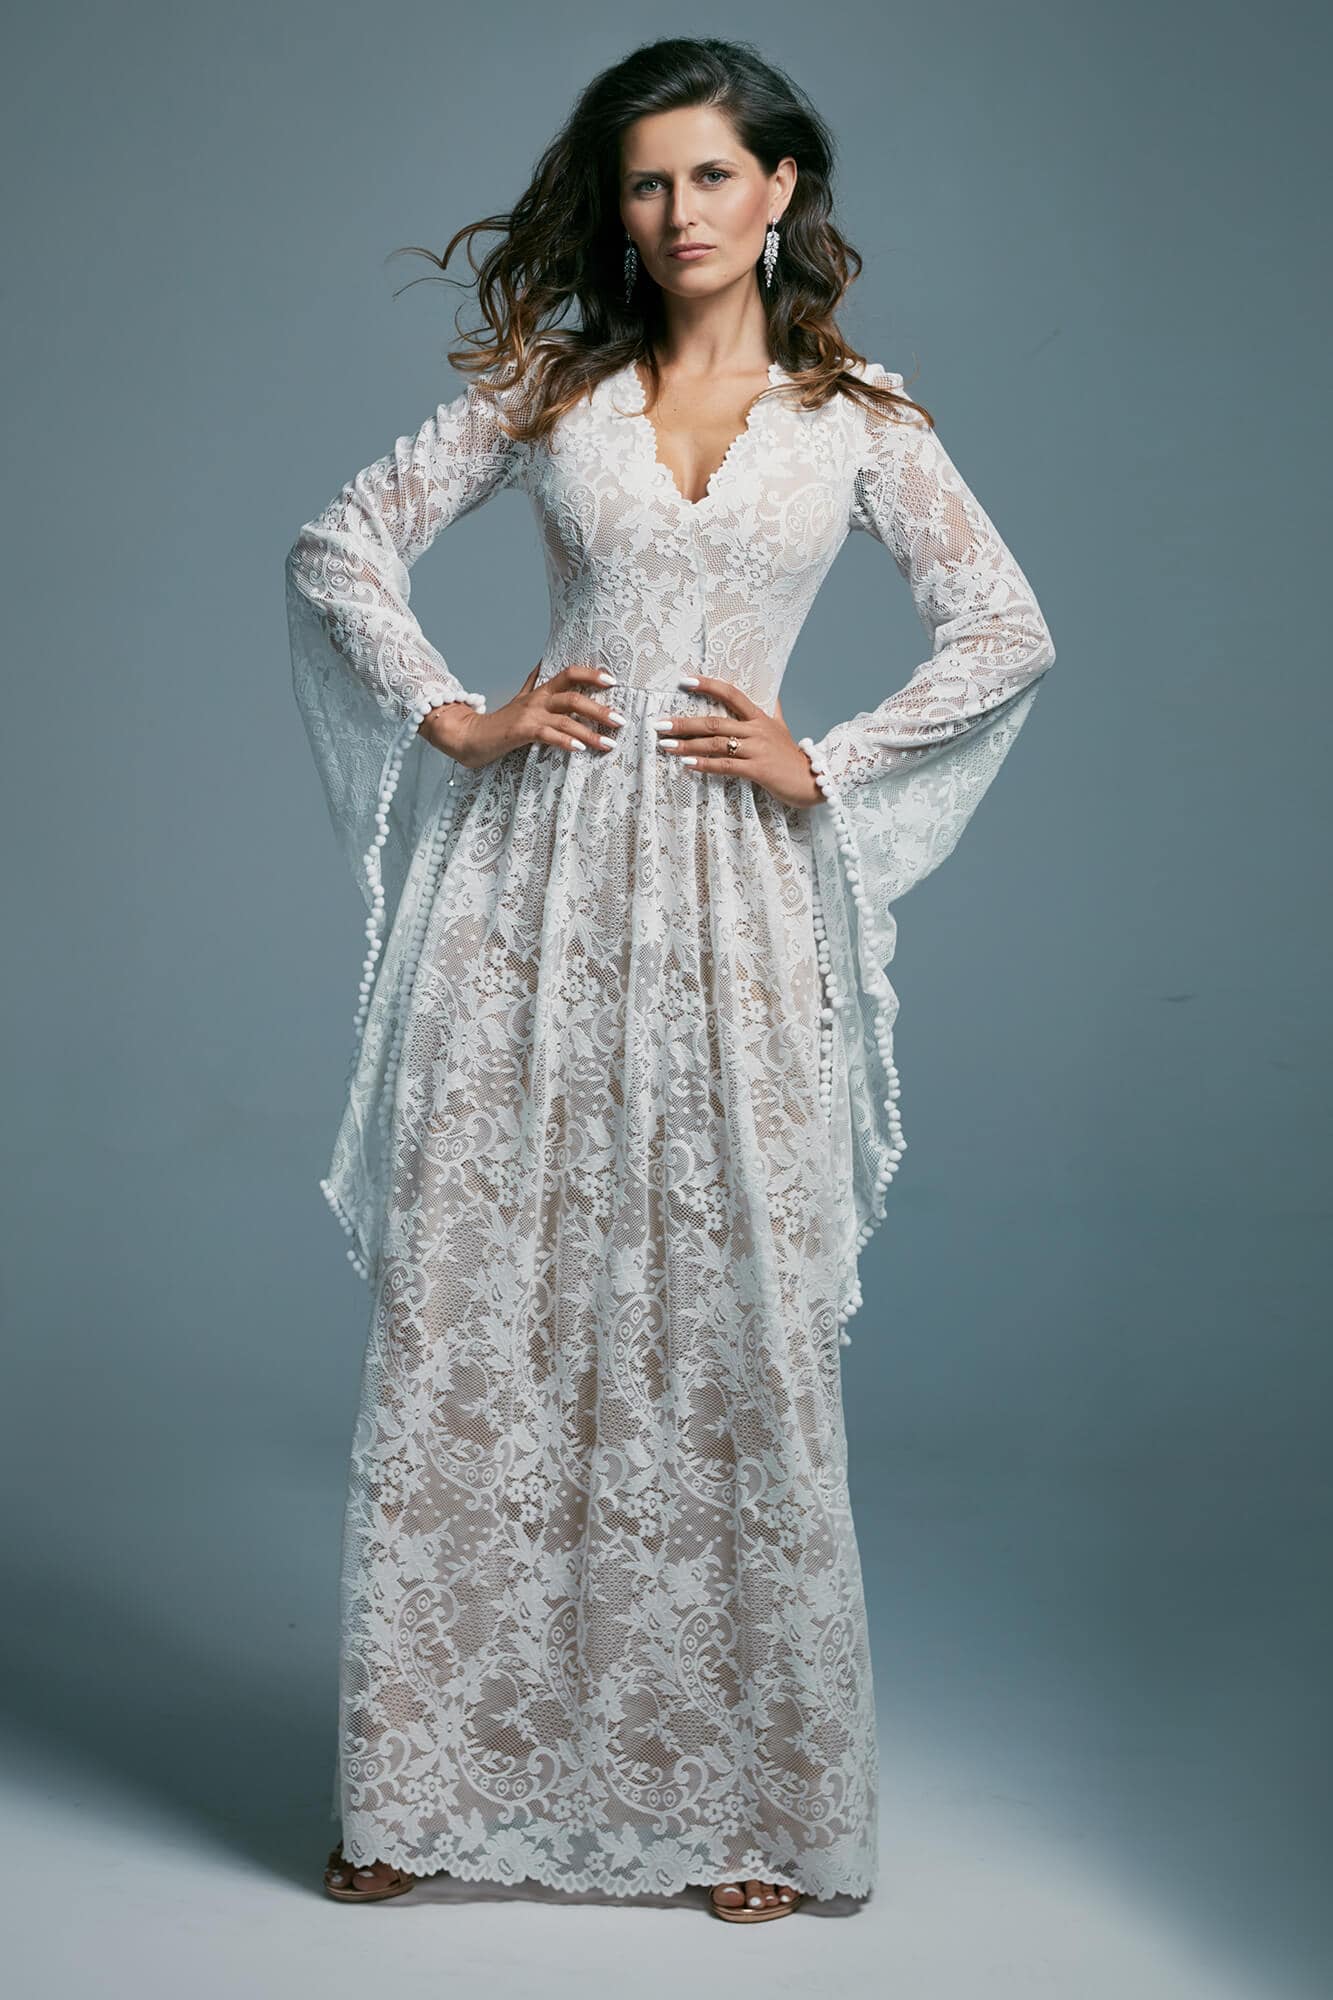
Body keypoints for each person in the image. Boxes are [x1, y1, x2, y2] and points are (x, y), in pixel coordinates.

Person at [285, 34, 1055, 1924]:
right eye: (646, 181)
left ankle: (747, 1807)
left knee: (730, 1317)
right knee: (484, 1302)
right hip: (533, 888)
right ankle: (423, 1786)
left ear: (780, 190)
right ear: (617, 207)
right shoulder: (555, 386)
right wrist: (455, 714)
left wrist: (830, 759)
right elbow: (340, 546)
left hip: (728, 900)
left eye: (712, 174)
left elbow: (1004, 628)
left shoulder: (858, 417)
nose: (679, 210)